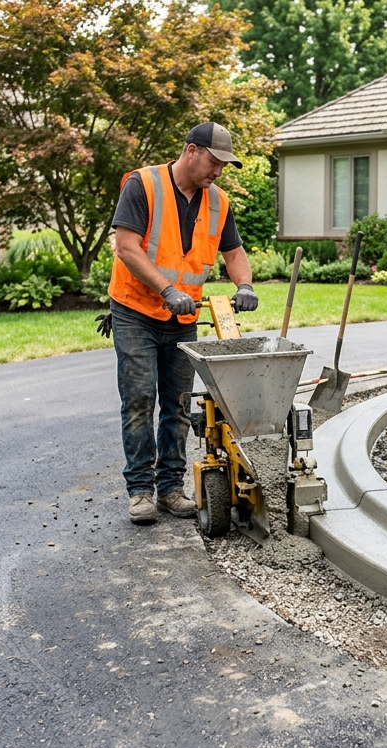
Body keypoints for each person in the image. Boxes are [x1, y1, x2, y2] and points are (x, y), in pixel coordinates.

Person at [106, 122, 259, 525]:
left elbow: (234, 250)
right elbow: (126, 247)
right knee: (139, 399)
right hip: (135, 310)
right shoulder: (143, 185)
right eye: (214, 161)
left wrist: (244, 283)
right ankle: (140, 491)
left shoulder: (217, 202)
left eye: (224, 165)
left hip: (182, 316)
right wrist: (167, 289)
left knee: (176, 405)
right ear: (191, 151)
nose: (218, 171)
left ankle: (171, 489)